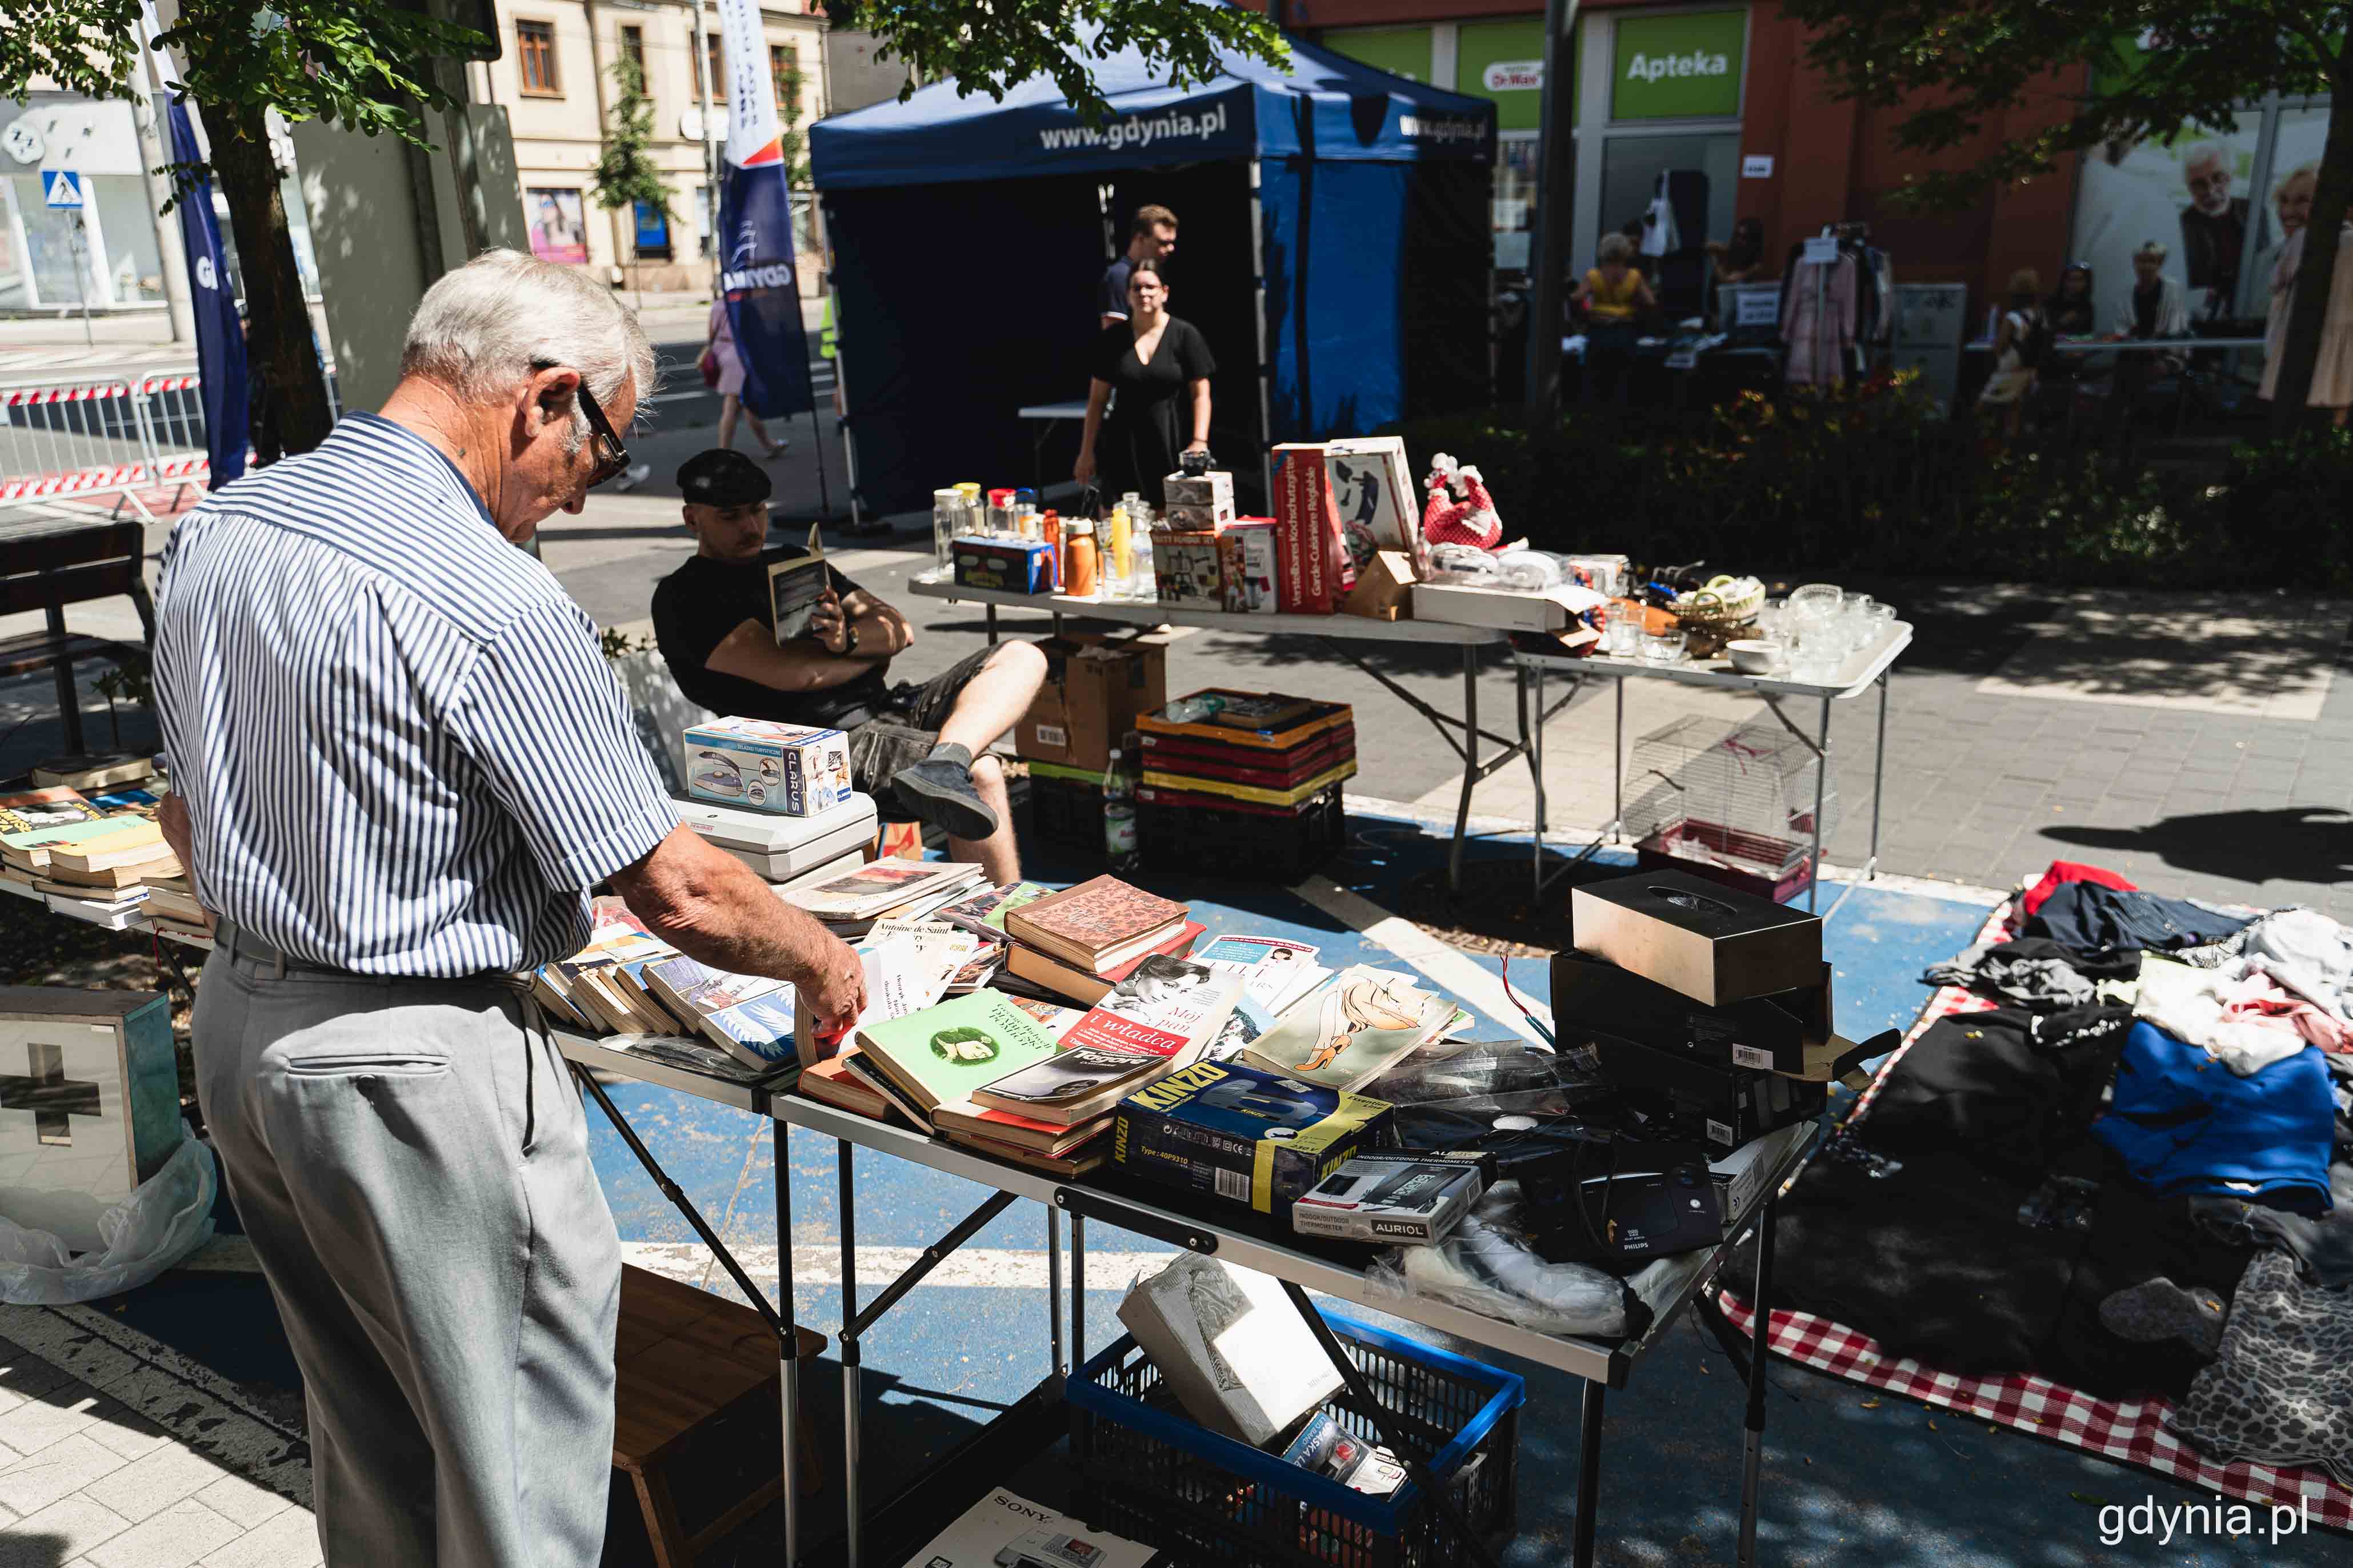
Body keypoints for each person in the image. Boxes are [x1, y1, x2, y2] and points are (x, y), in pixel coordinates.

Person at [150, 250, 867, 1566]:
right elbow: (678, 887)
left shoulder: (227, 526)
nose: (569, 506)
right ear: (542, 399)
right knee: (514, 1485)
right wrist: (822, 960)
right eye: (588, 466)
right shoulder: (482, 590)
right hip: (414, 1066)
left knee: (372, 1446)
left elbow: (182, 818)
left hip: (247, 1027)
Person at [651, 449, 1045, 882]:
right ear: (693, 520)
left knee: (1023, 655)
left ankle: (944, 761)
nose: (750, 526)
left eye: (758, 510)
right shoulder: (685, 596)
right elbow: (796, 674)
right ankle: (1002, 923)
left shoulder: (791, 558)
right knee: (982, 774)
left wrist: (850, 640)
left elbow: (898, 627)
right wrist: (867, 653)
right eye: (730, 516)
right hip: (808, 747)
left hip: (883, 709)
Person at [1074, 260, 1214, 508]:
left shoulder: (1184, 335)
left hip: (1169, 441)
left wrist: (1199, 441)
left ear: (1165, 292)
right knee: (1118, 526)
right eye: (1136, 288)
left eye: (1150, 287)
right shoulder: (1113, 340)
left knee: (1168, 522)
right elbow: (1097, 401)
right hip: (1122, 445)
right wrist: (1086, 452)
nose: (1144, 294)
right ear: (1128, 295)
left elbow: (1200, 394)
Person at [2260, 202, 2353, 425]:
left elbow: (2275, 283)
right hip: (2345, 332)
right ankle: (2333, 442)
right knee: (2342, 392)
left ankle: (2288, 443)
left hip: (2300, 329)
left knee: (2296, 392)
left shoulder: (2303, 237)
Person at [1572, 232, 1655, 406]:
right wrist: (1635, 311)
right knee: (1622, 383)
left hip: (1599, 332)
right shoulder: (1634, 276)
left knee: (1595, 382)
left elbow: (1578, 297)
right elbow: (1650, 302)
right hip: (1625, 332)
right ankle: (1619, 425)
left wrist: (1586, 314)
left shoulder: (1594, 276)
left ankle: (1594, 424)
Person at [2178, 143, 2256, 317]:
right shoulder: (2180, 226)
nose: (2211, 190)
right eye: (2199, 184)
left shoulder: (2256, 214)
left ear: (2231, 177)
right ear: (2189, 188)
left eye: (2218, 178)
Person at [705, 295, 786, 459]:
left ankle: (731, 450)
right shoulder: (745, 305)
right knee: (743, 404)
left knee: (734, 405)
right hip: (741, 355)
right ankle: (765, 445)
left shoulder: (717, 306)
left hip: (723, 353)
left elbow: (711, 334)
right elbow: (757, 332)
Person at [1977, 267, 2046, 439]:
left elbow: (2000, 345)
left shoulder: (2013, 317)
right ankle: (2011, 447)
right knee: (2015, 409)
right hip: (2030, 369)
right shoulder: (2041, 315)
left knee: (1983, 404)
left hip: (2009, 369)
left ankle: (1978, 440)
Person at [1099, 203, 1178, 330]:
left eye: (1172, 242)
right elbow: (1113, 339)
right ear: (1140, 238)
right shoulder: (1119, 276)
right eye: (1163, 242)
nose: (1171, 248)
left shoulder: (1160, 274)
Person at [1707, 216, 1766, 284]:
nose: (1738, 240)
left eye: (1744, 238)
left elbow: (1727, 280)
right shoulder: (1735, 250)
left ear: (1753, 241)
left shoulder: (1755, 266)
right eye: (1737, 235)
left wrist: (1713, 257)